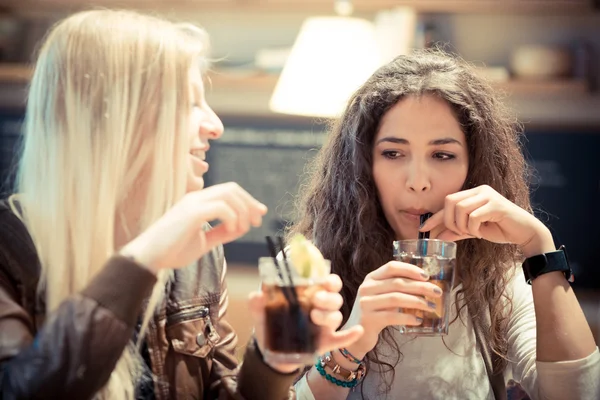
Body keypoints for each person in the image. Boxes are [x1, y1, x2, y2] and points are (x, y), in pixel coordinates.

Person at [0, 10, 363, 400]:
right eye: (190, 104)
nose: (214, 125)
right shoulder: (10, 250)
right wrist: (144, 260)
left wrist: (274, 360)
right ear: (118, 118)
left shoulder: (198, 253)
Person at [289, 49, 600, 399]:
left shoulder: (499, 274)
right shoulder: (308, 265)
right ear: (362, 166)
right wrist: (353, 342)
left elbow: (578, 394)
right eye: (393, 153)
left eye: (442, 155)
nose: (418, 181)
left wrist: (538, 243)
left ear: (474, 169)